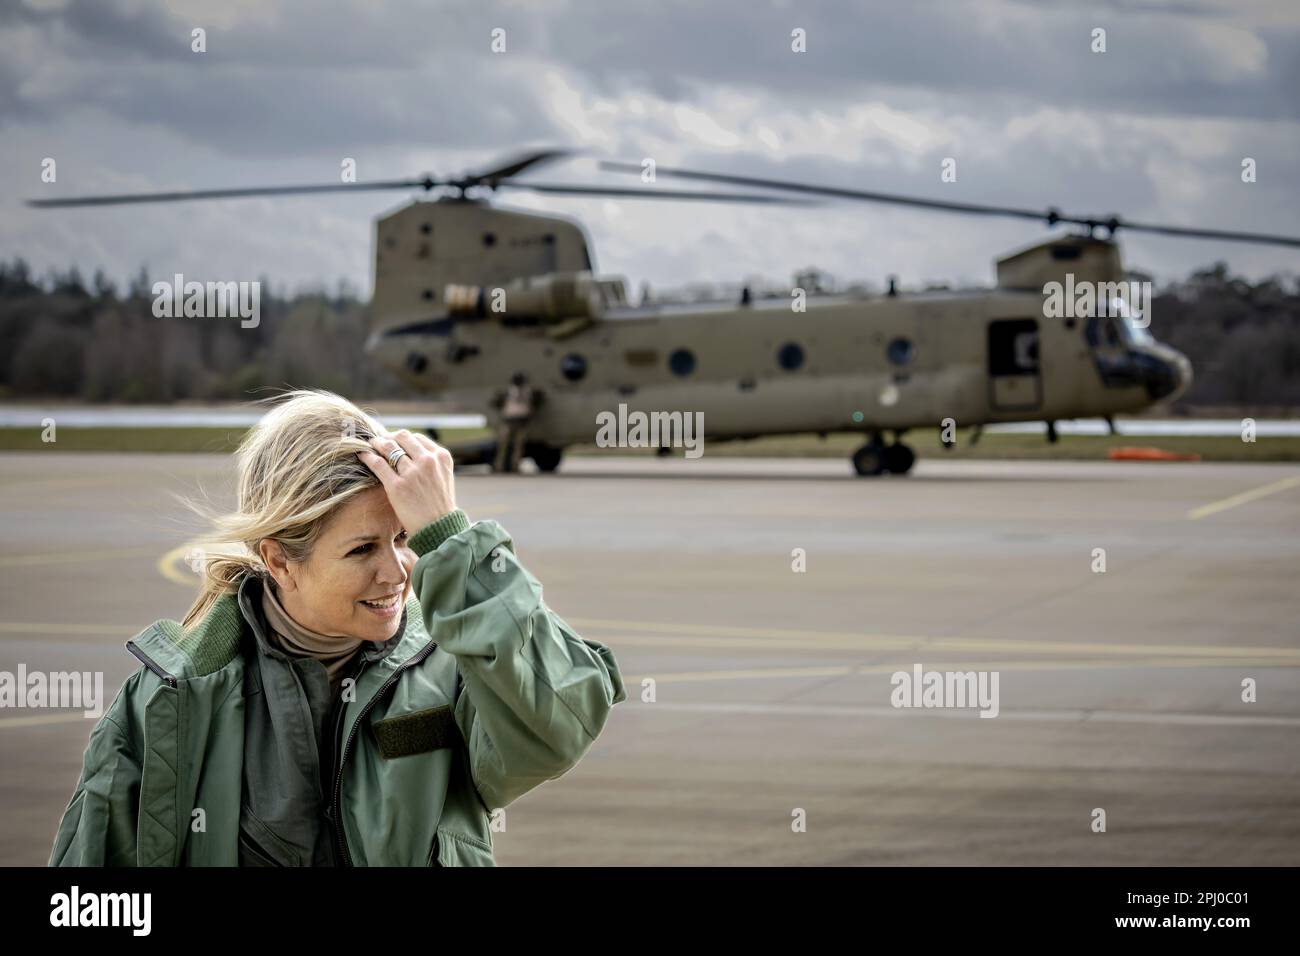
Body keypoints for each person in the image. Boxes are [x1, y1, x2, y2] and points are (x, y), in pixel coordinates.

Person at [49, 389, 624, 866]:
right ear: (278, 561)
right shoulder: (171, 701)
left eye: (404, 538)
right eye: (362, 549)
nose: (396, 571)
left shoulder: (455, 670)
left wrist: (451, 541)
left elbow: (565, 720)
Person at [493, 372, 539, 473]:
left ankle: (514, 466)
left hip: (521, 421)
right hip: (509, 421)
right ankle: (499, 466)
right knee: (504, 446)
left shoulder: (527, 392)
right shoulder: (509, 392)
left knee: (518, 446)